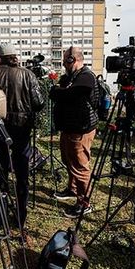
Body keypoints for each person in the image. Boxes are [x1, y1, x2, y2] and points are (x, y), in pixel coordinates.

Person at [0, 43, 44, 235]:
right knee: (22, 174)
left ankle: (1, 212)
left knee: (2, 170)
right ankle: (20, 217)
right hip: (22, 127)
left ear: (0, 57)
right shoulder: (27, 74)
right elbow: (39, 103)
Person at [50, 46, 99, 219]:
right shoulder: (71, 77)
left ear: (73, 60)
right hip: (69, 127)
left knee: (80, 166)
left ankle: (84, 202)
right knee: (68, 160)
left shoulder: (86, 76)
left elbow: (72, 94)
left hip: (81, 129)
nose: (63, 64)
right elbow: (61, 91)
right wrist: (60, 91)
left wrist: (59, 92)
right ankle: (72, 189)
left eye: (65, 61)